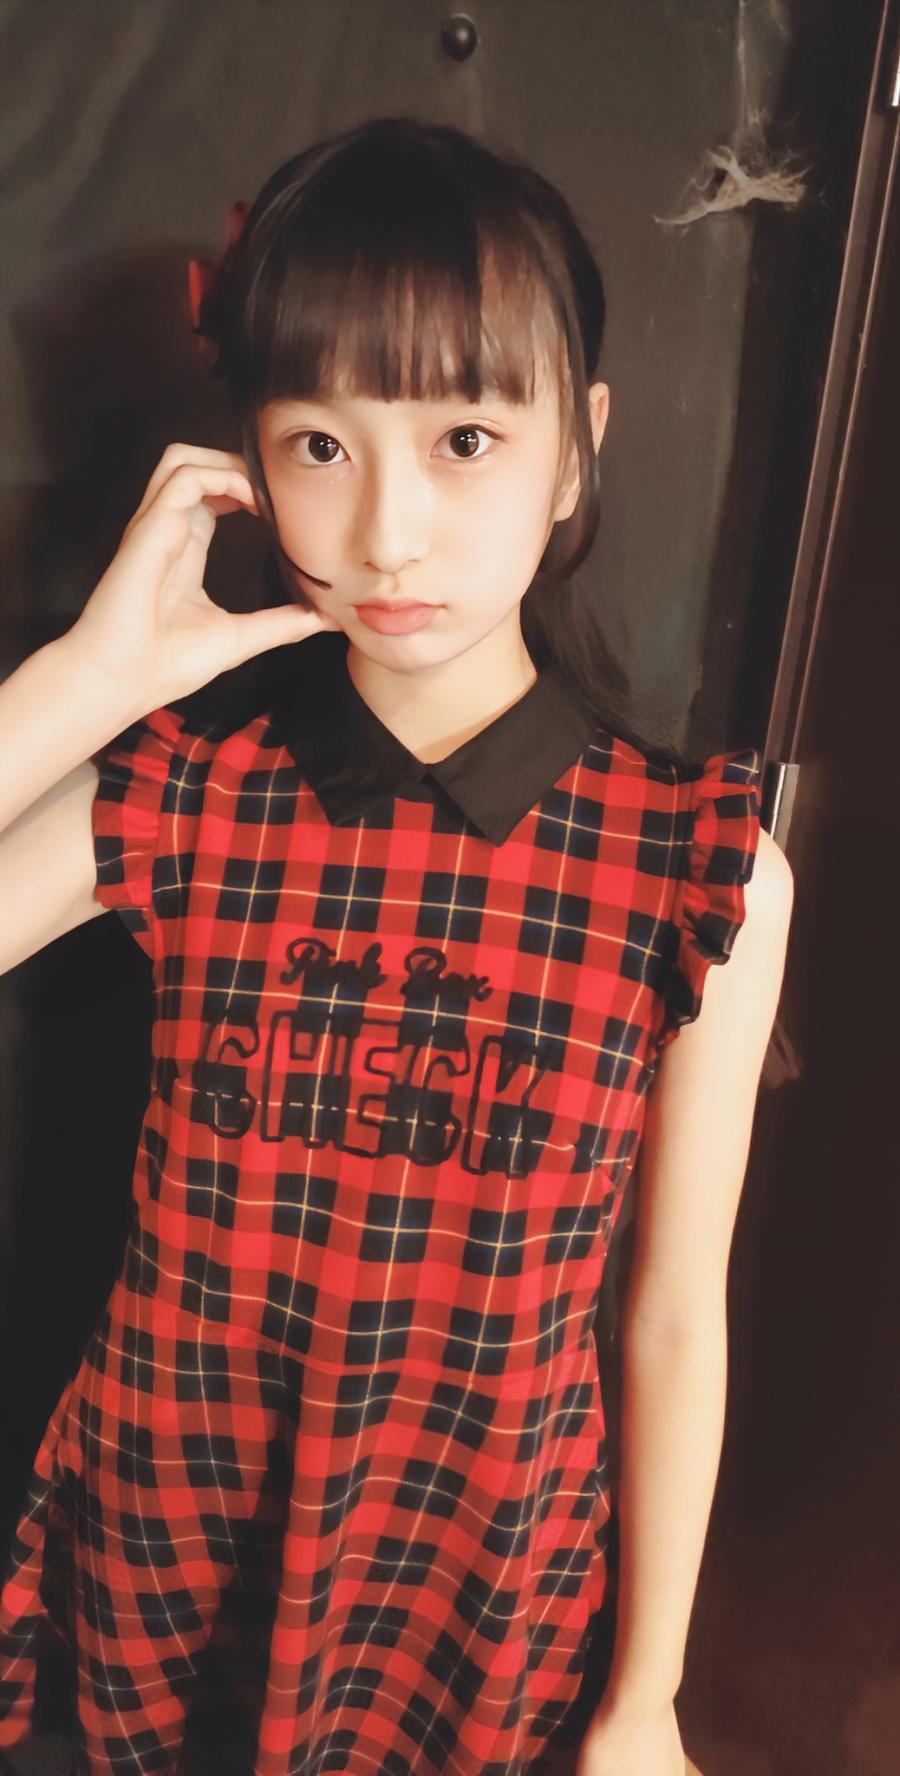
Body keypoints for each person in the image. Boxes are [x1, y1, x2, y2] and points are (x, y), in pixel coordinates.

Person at [0, 115, 793, 1776]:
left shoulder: (695, 865)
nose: (389, 533)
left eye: (465, 438)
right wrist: (87, 679)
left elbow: (672, 1315)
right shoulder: (193, 790)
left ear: (576, 449)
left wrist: (647, 1696)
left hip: (467, 1593)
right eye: (320, 443)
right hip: (173, 1548)